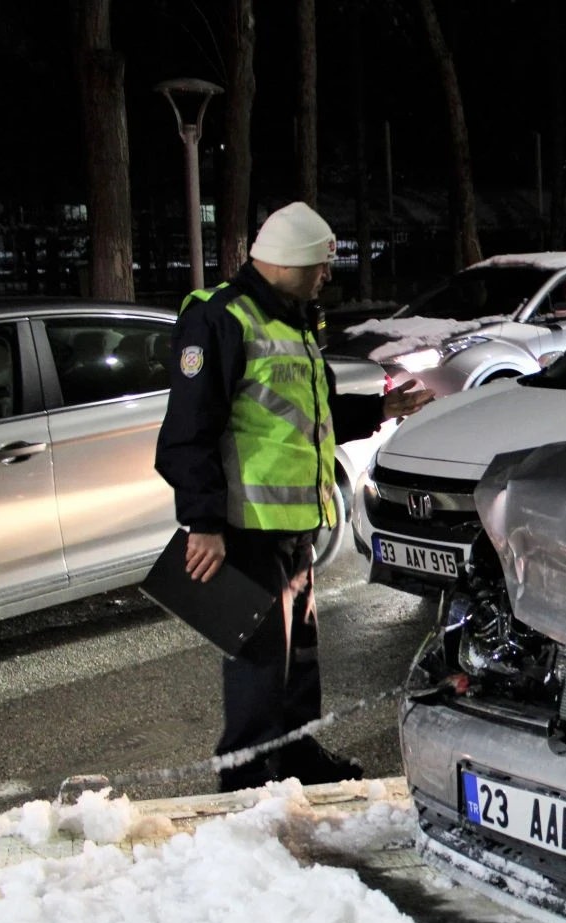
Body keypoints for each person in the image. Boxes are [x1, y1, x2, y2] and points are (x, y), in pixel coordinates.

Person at [155, 201, 433, 792]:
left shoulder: (293, 319)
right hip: (244, 526)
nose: (327, 278)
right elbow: (188, 433)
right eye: (321, 267)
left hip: (296, 523)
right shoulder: (223, 319)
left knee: (299, 655)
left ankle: (295, 755)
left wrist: (379, 409)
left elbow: (308, 413)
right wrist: (203, 522)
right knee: (259, 662)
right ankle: (248, 782)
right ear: (288, 262)